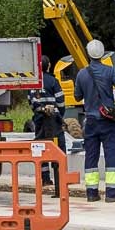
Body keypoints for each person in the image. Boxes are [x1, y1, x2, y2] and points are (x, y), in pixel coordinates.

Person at [73, 38, 115, 203]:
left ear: (88, 54)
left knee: (91, 156)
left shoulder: (82, 74)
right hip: (107, 120)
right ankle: (112, 193)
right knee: (111, 154)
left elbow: (77, 96)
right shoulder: (109, 71)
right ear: (102, 53)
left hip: (90, 121)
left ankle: (91, 193)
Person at [28, 56, 66, 195]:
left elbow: (30, 101)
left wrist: (39, 111)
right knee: (58, 148)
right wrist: (60, 114)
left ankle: (44, 179)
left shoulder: (34, 82)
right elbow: (61, 101)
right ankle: (59, 180)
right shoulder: (52, 81)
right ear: (48, 66)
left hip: (39, 119)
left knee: (40, 146)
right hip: (54, 120)